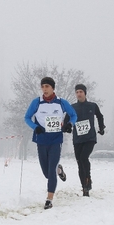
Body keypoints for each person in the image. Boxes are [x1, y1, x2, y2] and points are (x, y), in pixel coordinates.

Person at [24, 77, 77, 209]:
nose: (44, 89)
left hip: (55, 139)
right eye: (42, 86)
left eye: (47, 86)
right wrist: (35, 127)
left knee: (51, 171)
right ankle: (59, 168)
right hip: (41, 139)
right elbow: (27, 117)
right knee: (46, 173)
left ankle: (49, 199)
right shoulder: (36, 102)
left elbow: (74, 115)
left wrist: (70, 124)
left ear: (53, 88)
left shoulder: (61, 102)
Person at [65, 84, 105, 196]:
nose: (79, 94)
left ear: (85, 93)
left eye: (81, 92)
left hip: (90, 138)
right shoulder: (72, 107)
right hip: (77, 139)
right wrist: (67, 127)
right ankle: (84, 187)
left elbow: (100, 116)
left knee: (83, 158)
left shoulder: (92, 106)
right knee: (79, 162)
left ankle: (88, 180)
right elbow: (67, 119)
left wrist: (101, 128)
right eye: (77, 92)